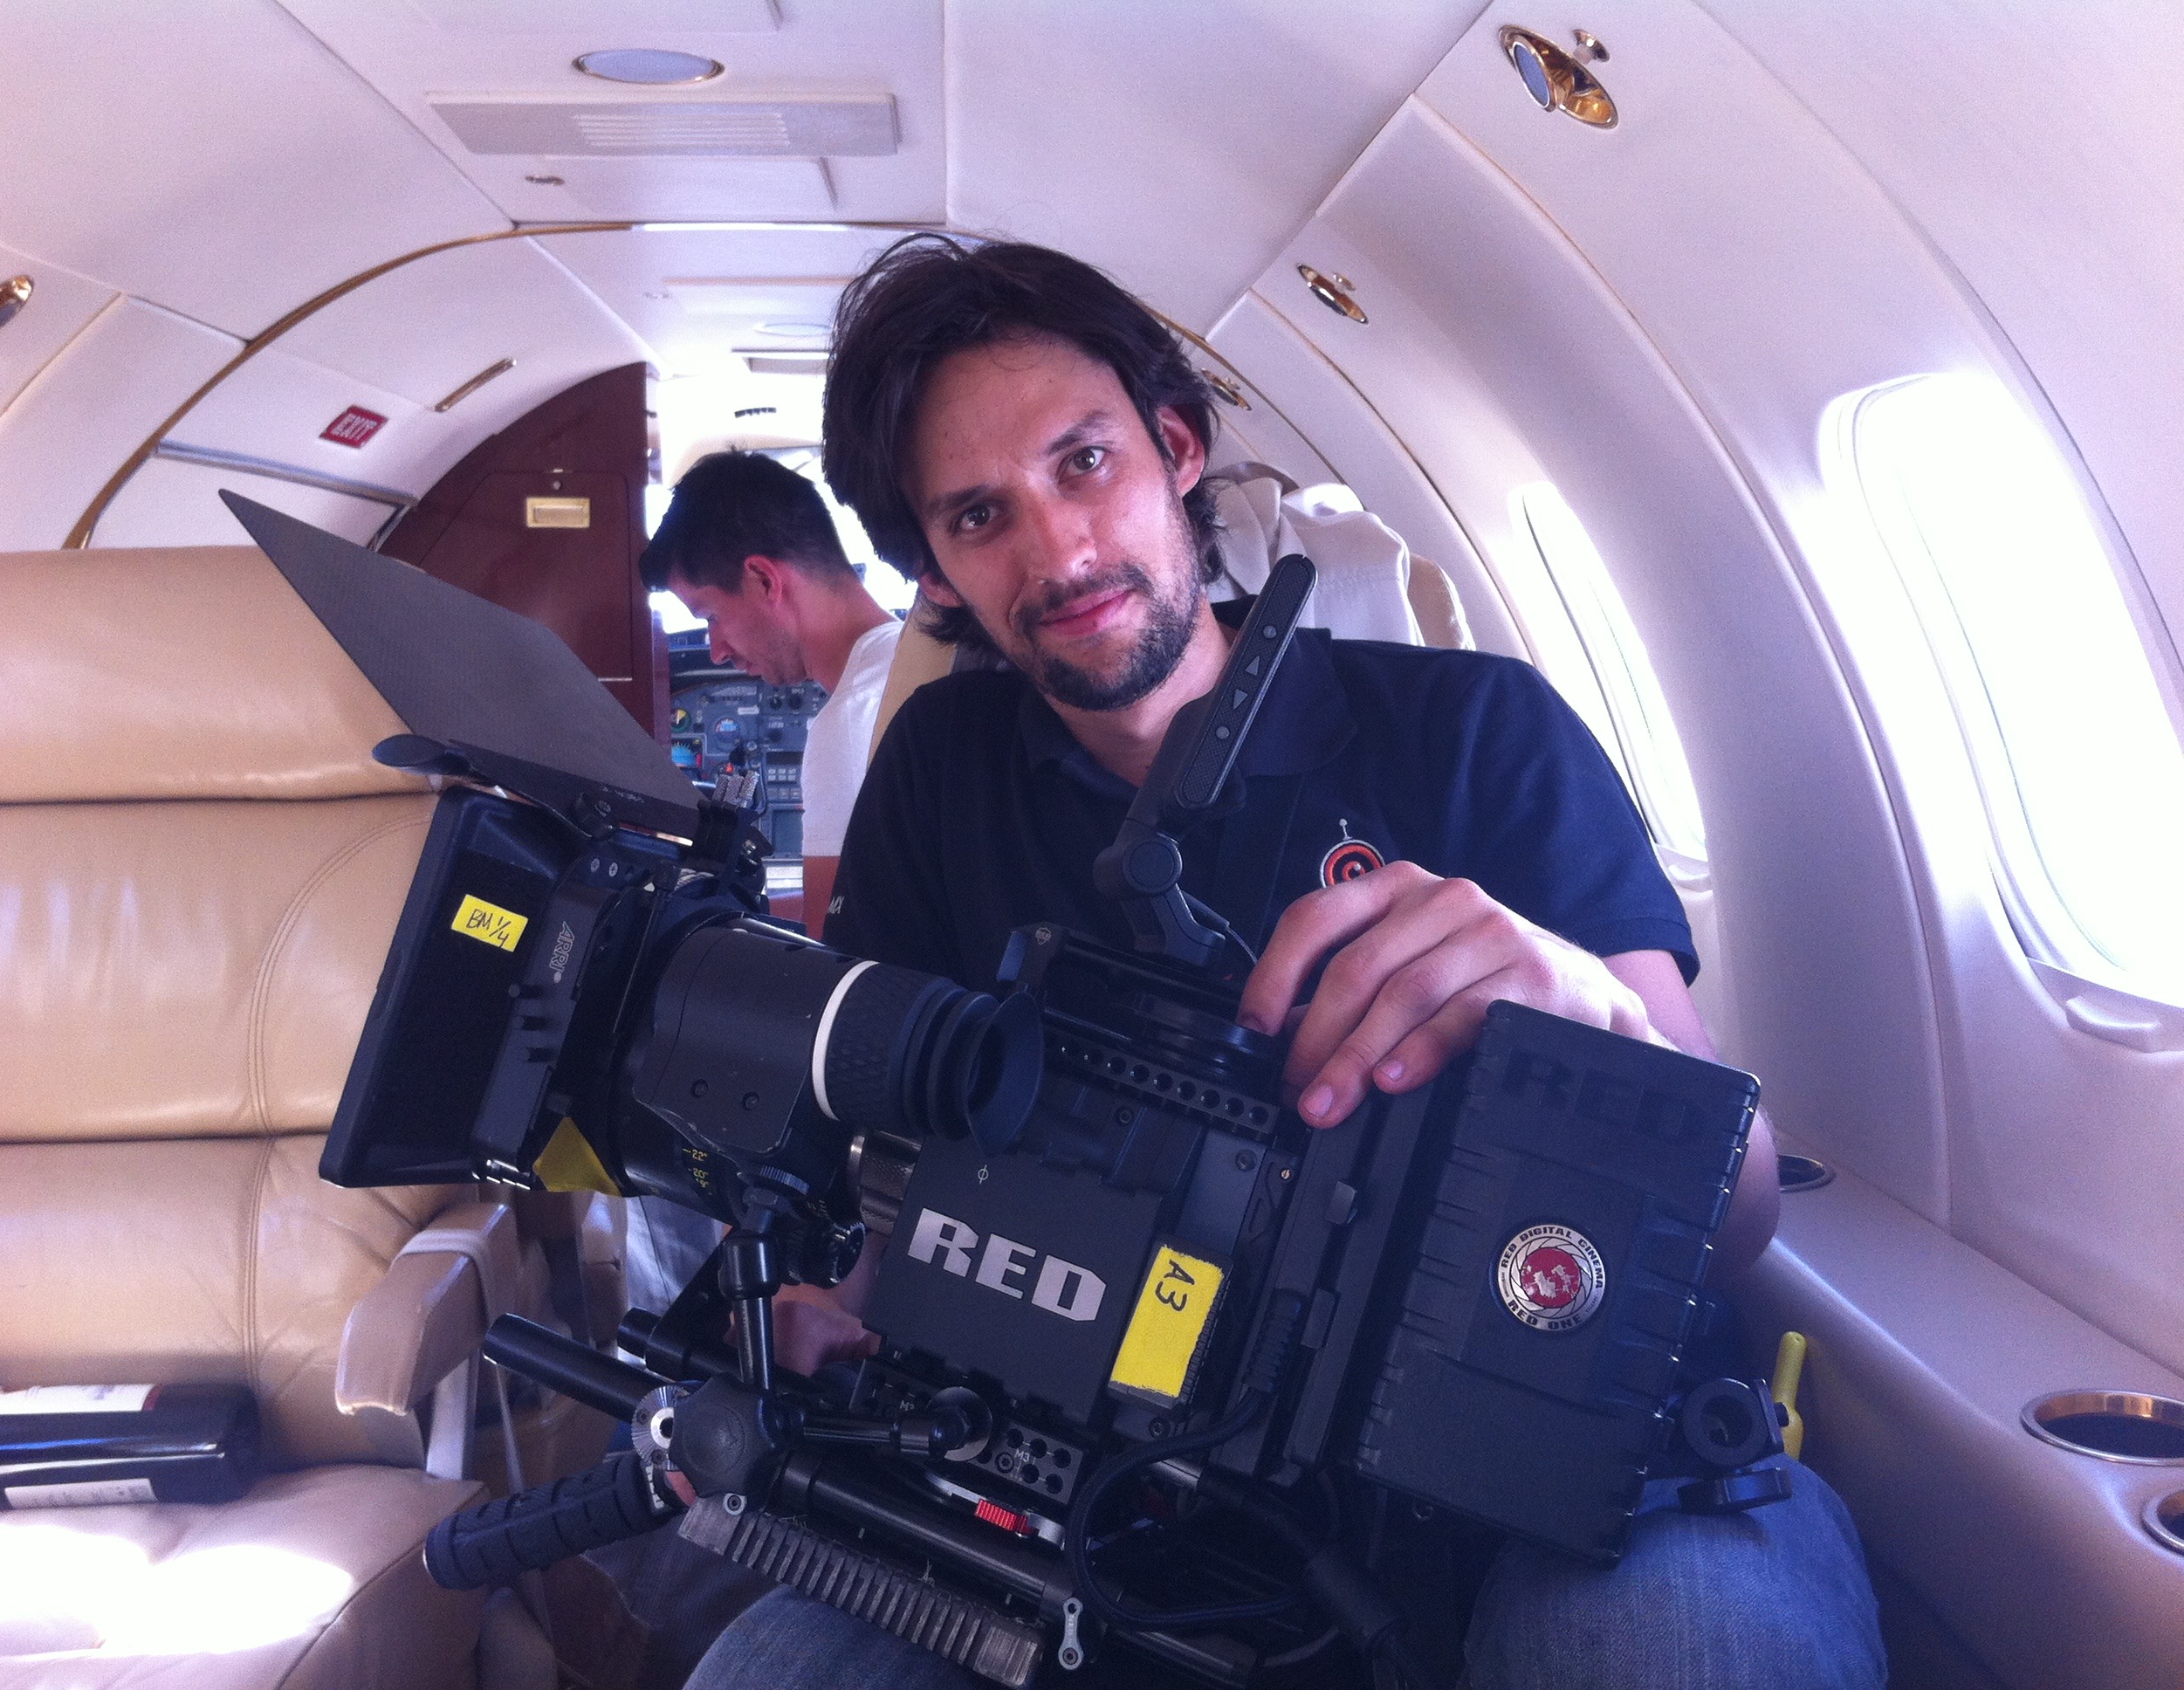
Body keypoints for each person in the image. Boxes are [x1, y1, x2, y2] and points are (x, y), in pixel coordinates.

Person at [685, 237, 1884, 1689]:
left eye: (1083, 463)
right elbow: (909, 1170)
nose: (1058, 551)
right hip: (1121, 1487)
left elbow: (1738, 1205)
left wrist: (1586, 1003)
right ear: (933, 565)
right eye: (979, 514)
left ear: (1176, 447)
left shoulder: (1474, 733)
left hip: (1570, 1462)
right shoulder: (939, 774)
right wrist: (835, 1320)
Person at [641, 449, 899, 937]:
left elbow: (831, 947)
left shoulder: (849, 721)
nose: (715, 651)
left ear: (763, 579)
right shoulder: (906, 662)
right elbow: (856, 898)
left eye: (711, 617)